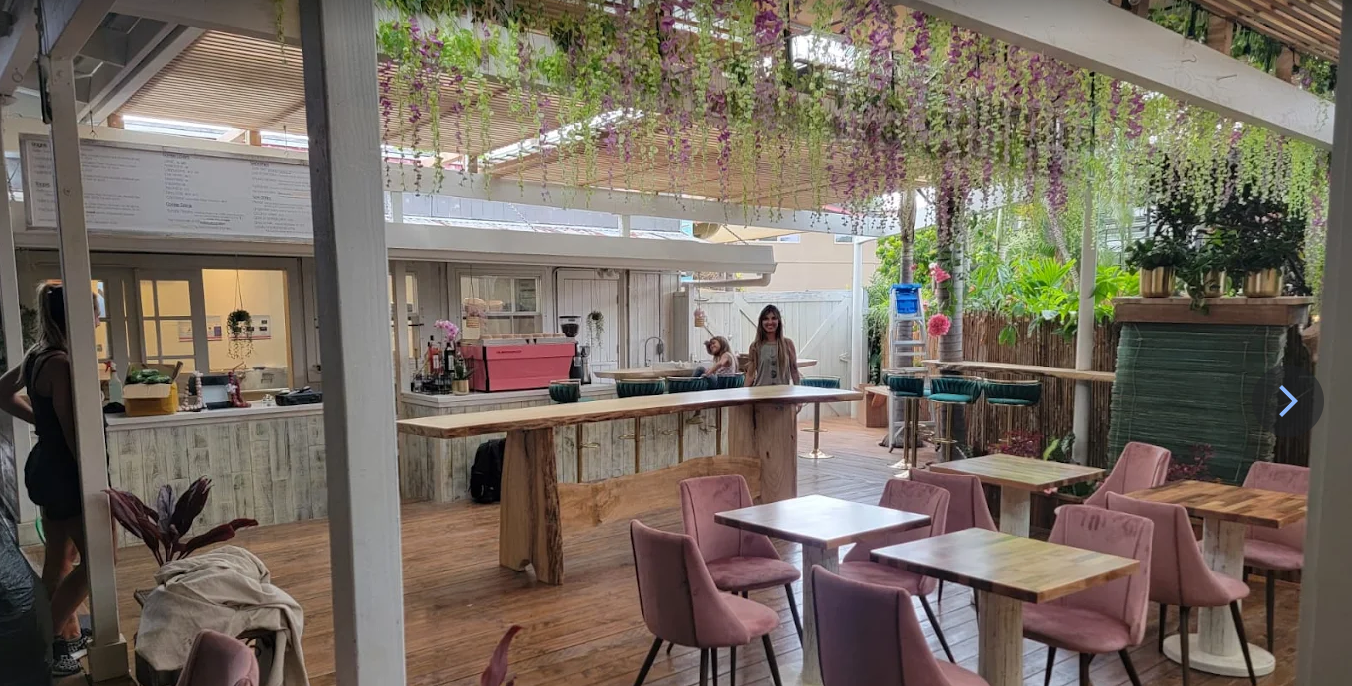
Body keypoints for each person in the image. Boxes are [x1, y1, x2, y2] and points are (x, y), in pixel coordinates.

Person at [0, 284, 90, 676]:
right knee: (100, 561)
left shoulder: (38, 356)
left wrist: (43, 423)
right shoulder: (62, 363)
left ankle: (56, 642)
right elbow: (76, 435)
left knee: (59, 557)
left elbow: (2, 392)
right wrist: (94, 479)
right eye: (93, 310)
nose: (97, 318)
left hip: (45, 466)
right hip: (65, 473)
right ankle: (41, 642)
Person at [746, 304, 801, 386]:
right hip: (760, 394)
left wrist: (799, 393)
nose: (770, 322)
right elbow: (750, 375)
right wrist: (743, 395)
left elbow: (794, 371)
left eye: (773, 318)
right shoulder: (755, 346)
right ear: (761, 322)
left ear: (778, 321)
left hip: (783, 395)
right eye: (766, 319)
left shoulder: (788, 344)